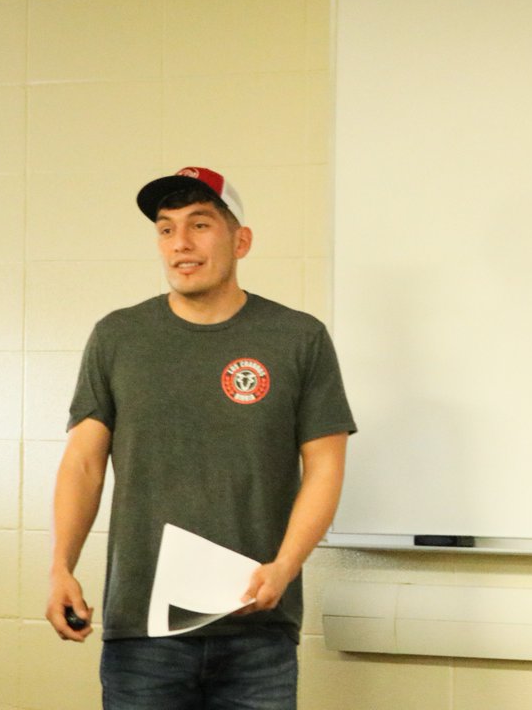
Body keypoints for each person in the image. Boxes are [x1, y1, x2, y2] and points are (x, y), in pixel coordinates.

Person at [46, 166, 355, 709]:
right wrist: (61, 566)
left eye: (200, 224)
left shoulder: (298, 337)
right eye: (166, 229)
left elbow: (325, 468)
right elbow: (84, 464)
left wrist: (284, 566)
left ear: (241, 240)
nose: (180, 244)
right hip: (143, 632)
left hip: (258, 629)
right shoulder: (118, 336)